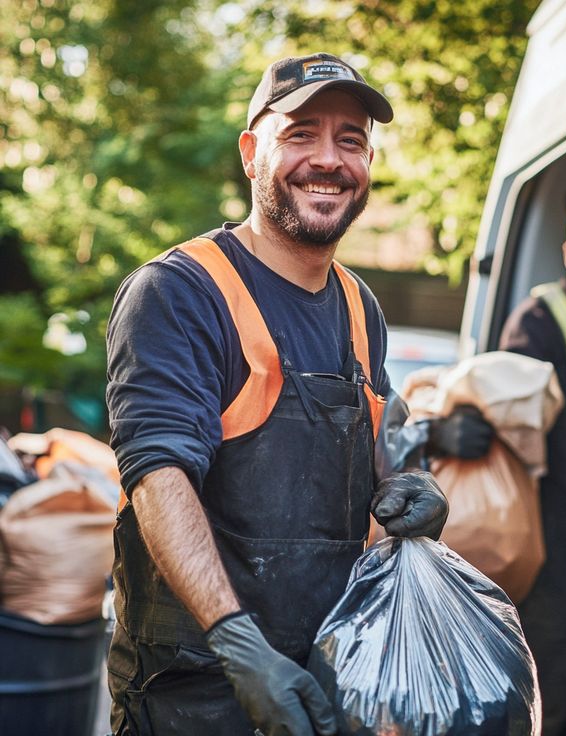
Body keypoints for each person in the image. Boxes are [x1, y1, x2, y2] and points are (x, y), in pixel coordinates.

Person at [105, 52, 448, 736]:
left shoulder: (359, 305)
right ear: (251, 151)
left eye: (350, 140)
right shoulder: (182, 292)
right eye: (300, 134)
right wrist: (239, 645)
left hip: (326, 679)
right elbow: (157, 474)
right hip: (193, 694)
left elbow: (377, 439)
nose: (328, 159)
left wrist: (413, 483)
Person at [428, 188, 566, 736]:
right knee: (561, 703)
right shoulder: (537, 320)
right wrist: (456, 432)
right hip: (560, 554)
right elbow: (495, 417)